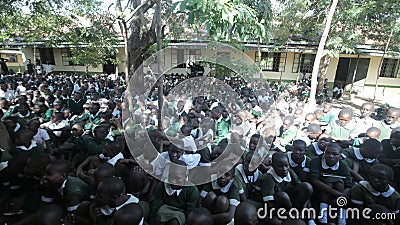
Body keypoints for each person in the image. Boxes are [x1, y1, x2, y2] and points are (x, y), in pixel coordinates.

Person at [259, 152, 313, 225]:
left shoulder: (289, 172)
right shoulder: (268, 177)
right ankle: (291, 215)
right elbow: (269, 204)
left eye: (286, 165)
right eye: (280, 166)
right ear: (273, 166)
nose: (284, 169)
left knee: (307, 187)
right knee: (282, 195)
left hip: (291, 201)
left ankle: (301, 213)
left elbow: (301, 187)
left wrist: (303, 209)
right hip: (278, 206)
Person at [309, 143, 352, 225]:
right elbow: (314, 180)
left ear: (340, 156)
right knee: (328, 183)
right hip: (320, 192)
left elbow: (349, 184)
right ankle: (323, 217)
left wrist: (341, 196)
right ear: (323, 153)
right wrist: (336, 193)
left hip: (338, 193)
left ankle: (341, 219)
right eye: (327, 153)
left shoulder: (343, 166)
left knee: (340, 184)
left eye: (335, 154)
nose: (330, 156)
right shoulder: (316, 161)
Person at [151, 160, 198, 225]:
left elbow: (189, 211)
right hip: (164, 209)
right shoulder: (162, 185)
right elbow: (156, 204)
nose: (173, 181)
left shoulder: (192, 190)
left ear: (185, 176)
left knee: (174, 222)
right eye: (170, 176)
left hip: (180, 212)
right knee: (158, 218)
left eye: (178, 178)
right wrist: (152, 219)